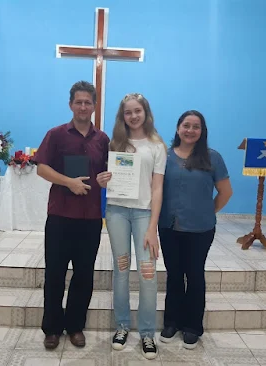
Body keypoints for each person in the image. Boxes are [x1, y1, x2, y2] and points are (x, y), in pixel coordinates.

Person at [33, 81, 110, 350]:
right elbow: (41, 169)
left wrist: (107, 178)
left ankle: (75, 326)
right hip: (60, 216)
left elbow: (106, 173)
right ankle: (52, 328)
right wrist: (69, 182)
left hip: (90, 218)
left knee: (84, 275)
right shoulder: (56, 135)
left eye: (88, 102)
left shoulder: (103, 139)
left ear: (94, 106)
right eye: (78, 102)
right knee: (55, 273)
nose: (83, 106)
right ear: (70, 105)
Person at [97, 93, 167, 360]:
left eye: (138, 111)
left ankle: (147, 332)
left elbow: (157, 187)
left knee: (148, 272)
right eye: (128, 112)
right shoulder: (115, 142)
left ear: (146, 112)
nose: (133, 116)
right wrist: (103, 181)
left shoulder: (157, 146)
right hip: (116, 211)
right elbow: (107, 177)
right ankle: (123, 326)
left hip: (143, 215)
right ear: (122, 116)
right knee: (122, 269)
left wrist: (153, 227)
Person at [158, 110, 232, 349]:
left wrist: (207, 212)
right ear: (178, 128)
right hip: (168, 226)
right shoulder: (164, 157)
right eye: (186, 125)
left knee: (195, 275)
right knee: (174, 275)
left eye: (196, 126)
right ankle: (172, 322)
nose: (190, 130)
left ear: (202, 131)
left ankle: (192, 326)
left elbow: (225, 193)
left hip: (200, 229)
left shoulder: (213, 158)